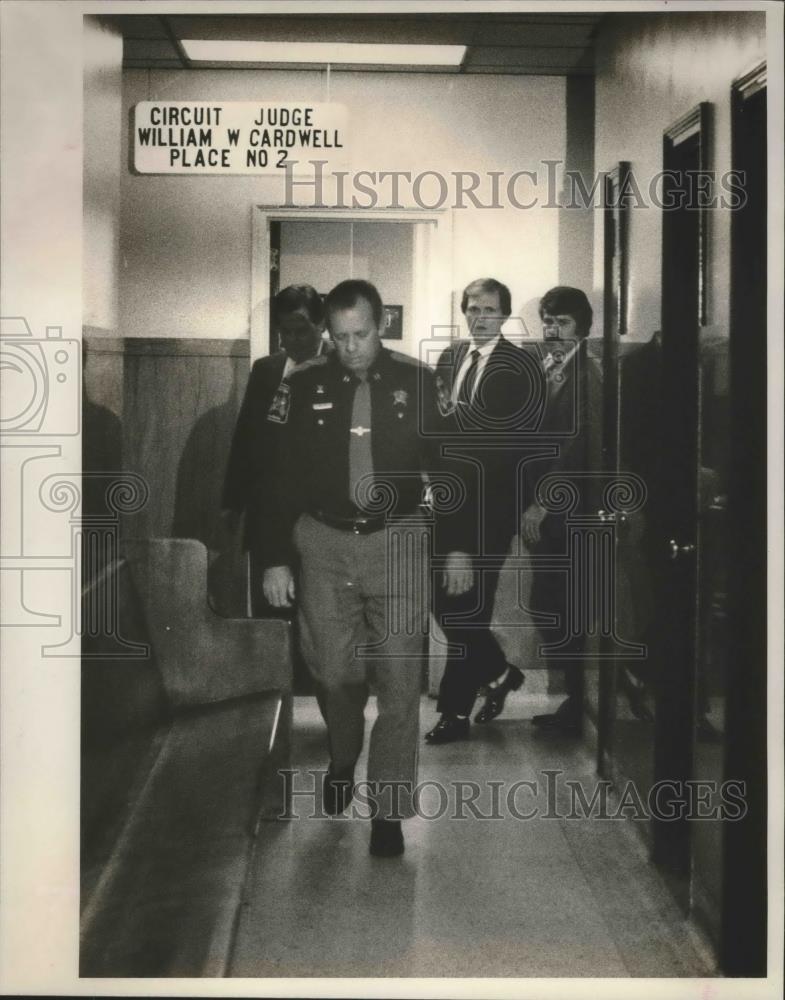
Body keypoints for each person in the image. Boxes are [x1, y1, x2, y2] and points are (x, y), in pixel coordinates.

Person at [261, 279, 470, 857]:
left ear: (383, 324)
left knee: (401, 684)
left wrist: (456, 547)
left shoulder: (421, 382)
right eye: (341, 336)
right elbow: (273, 480)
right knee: (334, 673)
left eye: (363, 334)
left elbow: (453, 470)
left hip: (398, 540)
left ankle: (389, 811)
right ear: (328, 332)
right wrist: (276, 557)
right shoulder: (302, 386)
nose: (351, 347)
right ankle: (343, 757)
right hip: (323, 543)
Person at [425, 278, 547, 744]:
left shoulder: (521, 366)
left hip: (492, 508)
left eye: (489, 310)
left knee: (468, 609)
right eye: (472, 308)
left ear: (504, 314)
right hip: (449, 503)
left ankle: (454, 713)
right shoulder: (451, 357)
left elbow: (512, 447)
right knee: (444, 602)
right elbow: (438, 429)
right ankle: (500, 672)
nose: (479, 317)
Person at [522, 286, 602, 735]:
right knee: (555, 606)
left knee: (558, 606)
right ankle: (574, 699)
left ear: (583, 327)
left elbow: (576, 448)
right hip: (550, 515)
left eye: (562, 322)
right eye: (548, 321)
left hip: (567, 513)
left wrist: (540, 503)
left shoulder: (587, 375)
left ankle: (576, 700)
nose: (552, 331)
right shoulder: (549, 368)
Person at [221, 284, 326, 615]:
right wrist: (232, 504)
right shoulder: (265, 370)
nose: (291, 340)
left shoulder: (342, 369)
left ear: (321, 324)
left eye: (300, 331)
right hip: (267, 520)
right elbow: (246, 441)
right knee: (272, 622)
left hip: (321, 523)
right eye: (284, 332)